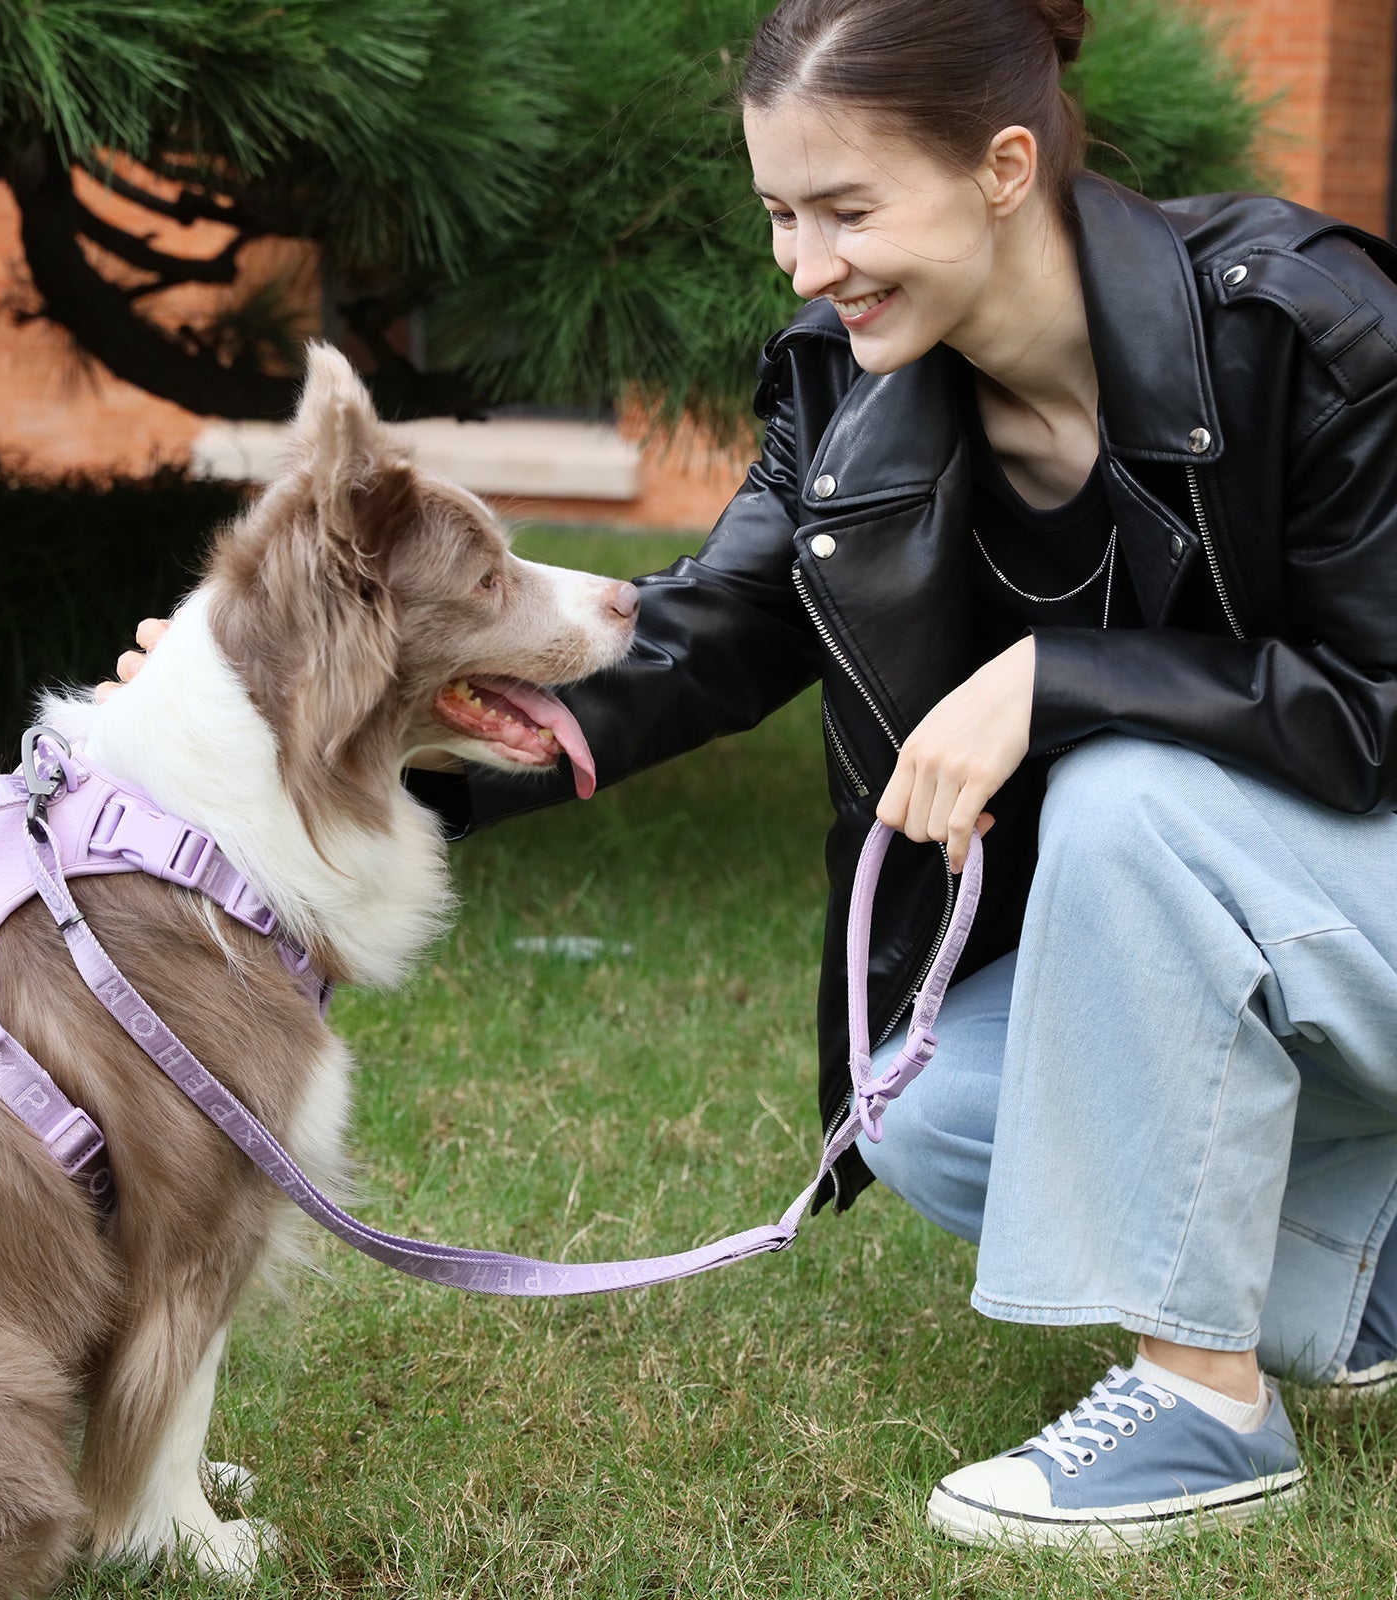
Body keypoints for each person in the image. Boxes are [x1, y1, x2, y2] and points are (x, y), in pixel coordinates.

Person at [109, 0, 1397, 1550]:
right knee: (924, 1106)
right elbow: (711, 631)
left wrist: (1069, 678)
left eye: (849, 210)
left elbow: (1377, 699)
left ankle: (1202, 1410)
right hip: (1256, 945)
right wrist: (266, 740)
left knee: (1129, 791)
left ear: (1002, 167)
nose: (804, 262)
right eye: (782, 213)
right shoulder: (849, 387)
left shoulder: (1303, 331)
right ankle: (1364, 1266)